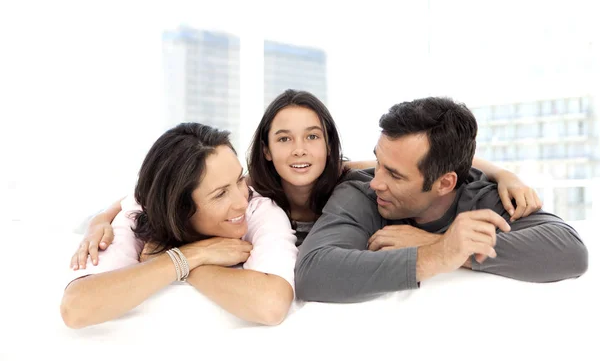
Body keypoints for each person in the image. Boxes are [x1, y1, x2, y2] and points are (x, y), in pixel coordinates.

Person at [73, 90, 542, 263]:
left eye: (312, 136)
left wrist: (502, 172)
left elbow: (442, 171)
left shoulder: (351, 179)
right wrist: (102, 219)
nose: (300, 150)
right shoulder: (247, 193)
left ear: (329, 143)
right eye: (284, 139)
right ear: (266, 151)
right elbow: (150, 195)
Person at [294, 96, 589, 303]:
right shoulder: (361, 191)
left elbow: (570, 251)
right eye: (378, 162)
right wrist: (436, 257)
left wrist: (438, 245)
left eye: (395, 175)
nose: (377, 181)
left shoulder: (484, 196)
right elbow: (314, 273)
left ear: (445, 183)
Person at [61, 123, 297, 328]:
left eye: (238, 180)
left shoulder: (260, 209)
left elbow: (272, 305)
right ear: (179, 207)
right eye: (220, 194)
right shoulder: (140, 215)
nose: (240, 201)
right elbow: (76, 309)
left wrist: (179, 262)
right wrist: (191, 255)